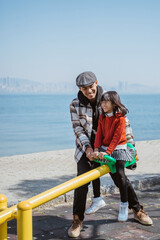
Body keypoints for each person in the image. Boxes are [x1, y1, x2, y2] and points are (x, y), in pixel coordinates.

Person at [68, 72, 152, 238]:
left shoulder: (108, 97)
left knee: (121, 178)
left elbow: (124, 124)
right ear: (79, 89)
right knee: (81, 182)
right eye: (84, 89)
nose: (89, 91)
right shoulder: (75, 104)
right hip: (87, 148)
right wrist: (88, 149)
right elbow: (77, 128)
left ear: (96, 83)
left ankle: (137, 210)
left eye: (91, 87)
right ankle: (77, 219)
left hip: (111, 147)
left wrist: (132, 148)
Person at [91, 91, 140, 221]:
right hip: (105, 148)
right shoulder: (102, 117)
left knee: (120, 173)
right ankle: (97, 199)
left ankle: (124, 205)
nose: (103, 104)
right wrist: (96, 149)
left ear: (114, 103)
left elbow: (117, 138)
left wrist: (107, 153)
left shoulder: (120, 118)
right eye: (102, 101)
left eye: (106, 101)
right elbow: (99, 134)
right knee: (93, 166)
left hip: (119, 147)